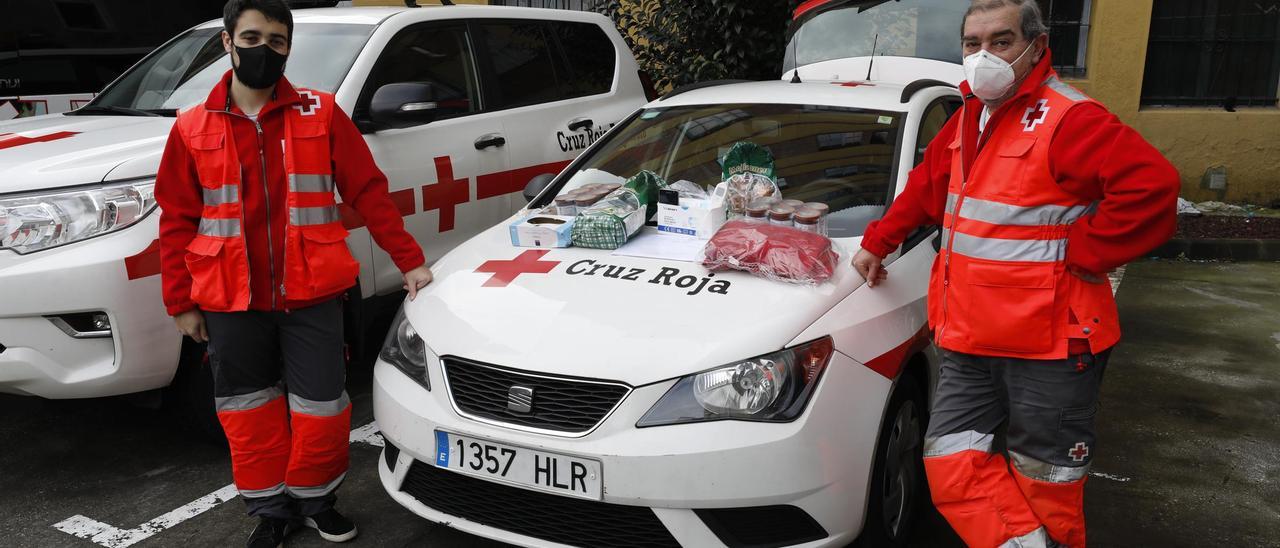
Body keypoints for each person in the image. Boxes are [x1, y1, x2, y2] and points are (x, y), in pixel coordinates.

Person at [851, 1, 1179, 546]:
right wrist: (878, 241)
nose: (983, 56)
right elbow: (927, 189)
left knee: (1044, 486)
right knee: (951, 465)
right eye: (971, 44)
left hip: (1051, 343)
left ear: (1035, 46)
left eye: (1000, 42)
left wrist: (1084, 250)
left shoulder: (1069, 118)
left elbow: (1153, 189)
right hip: (970, 336)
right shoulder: (969, 116)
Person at [156, 1, 433, 546]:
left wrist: (410, 260)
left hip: (312, 294)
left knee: (323, 408)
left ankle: (315, 500)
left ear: (288, 48)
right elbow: (177, 219)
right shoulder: (191, 127)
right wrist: (181, 302)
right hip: (231, 300)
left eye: (277, 40)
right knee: (247, 412)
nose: (265, 49)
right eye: (253, 37)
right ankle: (270, 511)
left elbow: (368, 192)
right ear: (227, 43)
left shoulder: (322, 113)